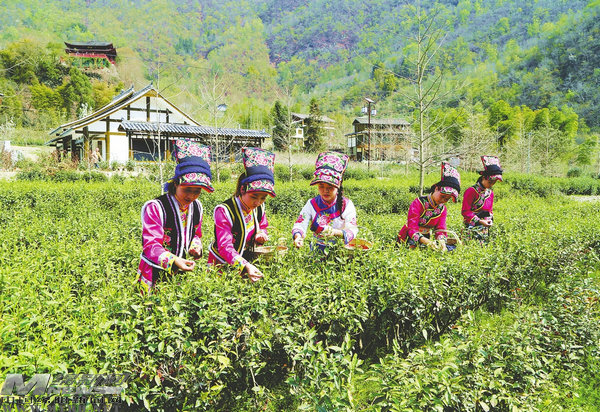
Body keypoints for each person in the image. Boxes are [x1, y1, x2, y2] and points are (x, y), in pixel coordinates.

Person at [137, 139, 213, 292]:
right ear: (176, 183)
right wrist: (173, 260)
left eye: (197, 191)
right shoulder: (156, 207)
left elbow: (196, 234)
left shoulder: (197, 207)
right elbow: (150, 246)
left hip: (181, 272)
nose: (191, 196)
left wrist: (195, 246)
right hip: (155, 272)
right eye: (187, 189)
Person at [208, 147, 275, 282]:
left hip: (247, 260)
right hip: (221, 264)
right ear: (242, 189)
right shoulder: (225, 211)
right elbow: (224, 246)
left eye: (263, 198)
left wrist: (261, 234)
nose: (258, 202)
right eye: (254, 197)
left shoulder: (259, 208)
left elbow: (262, 225)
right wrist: (244, 265)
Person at [292, 151, 358, 251]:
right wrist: (298, 236)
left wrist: (335, 232)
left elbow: (352, 230)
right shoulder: (312, 204)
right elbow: (300, 223)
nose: (325, 191)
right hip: (316, 251)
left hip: (339, 251)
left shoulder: (346, 205)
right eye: (321, 186)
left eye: (330, 187)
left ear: (338, 186)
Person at [397, 162, 461, 251]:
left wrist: (442, 242)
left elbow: (440, 228)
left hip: (427, 237)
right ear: (436, 188)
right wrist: (427, 242)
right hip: (410, 236)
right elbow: (412, 227)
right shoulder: (418, 203)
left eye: (447, 199)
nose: (443, 200)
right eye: (442, 196)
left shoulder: (442, 209)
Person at [462, 156, 503, 239]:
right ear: (483, 177)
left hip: (485, 227)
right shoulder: (471, 191)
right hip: (471, 226)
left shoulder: (490, 193)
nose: (492, 184)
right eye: (490, 182)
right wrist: (479, 221)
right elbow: (465, 211)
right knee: (472, 244)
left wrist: (489, 220)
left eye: (494, 182)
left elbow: (490, 211)